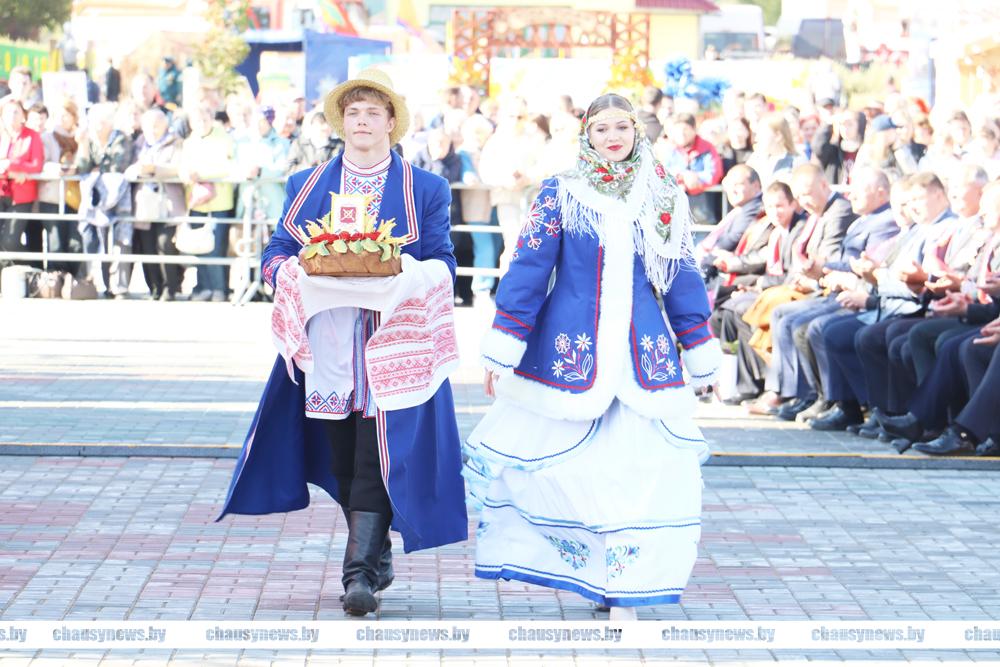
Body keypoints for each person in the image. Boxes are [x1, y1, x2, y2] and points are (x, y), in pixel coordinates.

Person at [219, 68, 468, 617]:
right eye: (353, 113)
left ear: (390, 123)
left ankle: (357, 574)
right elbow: (280, 247)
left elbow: (444, 262)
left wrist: (407, 271)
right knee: (339, 454)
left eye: (372, 113)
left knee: (376, 451)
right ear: (342, 122)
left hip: (393, 343)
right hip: (327, 342)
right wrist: (283, 272)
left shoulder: (426, 188)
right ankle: (375, 553)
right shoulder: (305, 183)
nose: (361, 121)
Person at [469, 93, 721, 620]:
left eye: (621, 128)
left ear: (636, 132)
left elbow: (680, 276)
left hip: (641, 354)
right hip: (569, 354)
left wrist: (699, 349)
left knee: (639, 469)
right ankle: (589, 570)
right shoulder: (563, 192)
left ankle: (625, 583)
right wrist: (502, 349)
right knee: (572, 472)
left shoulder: (661, 194)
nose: (612, 137)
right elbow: (527, 271)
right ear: (586, 134)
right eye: (601, 128)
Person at [125, 109, 186, 301]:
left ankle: (171, 287)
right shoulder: (138, 144)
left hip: (167, 201)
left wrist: (154, 170)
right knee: (148, 246)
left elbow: (178, 167)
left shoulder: (176, 142)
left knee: (165, 244)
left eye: (156, 124)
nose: (152, 129)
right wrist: (137, 170)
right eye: (149, 125)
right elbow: (128, 167)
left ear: (165, 125)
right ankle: (154, 287)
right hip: (144, 202)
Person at [181, 104, 236, 302]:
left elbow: (228, 166)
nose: (201, 123)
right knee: (199, 246)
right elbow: (183, 166)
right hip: (197, 202)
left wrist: (202, 174)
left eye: (204, 118)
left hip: (219, 201)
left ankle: (220, 289)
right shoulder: (189, 142)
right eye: (196, 120)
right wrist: (185, 174)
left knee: (217, 246)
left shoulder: (225, 138)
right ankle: (203, 287)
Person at [0, 96, 44, 270]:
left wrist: (13, 165)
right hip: (1, 191)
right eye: (7, 112)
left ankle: (31, 267)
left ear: (23, 116)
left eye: (15, 111)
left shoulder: (32, 136)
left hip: (21, 195)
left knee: (10, 241)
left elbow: (37, 164)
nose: (11, 115)